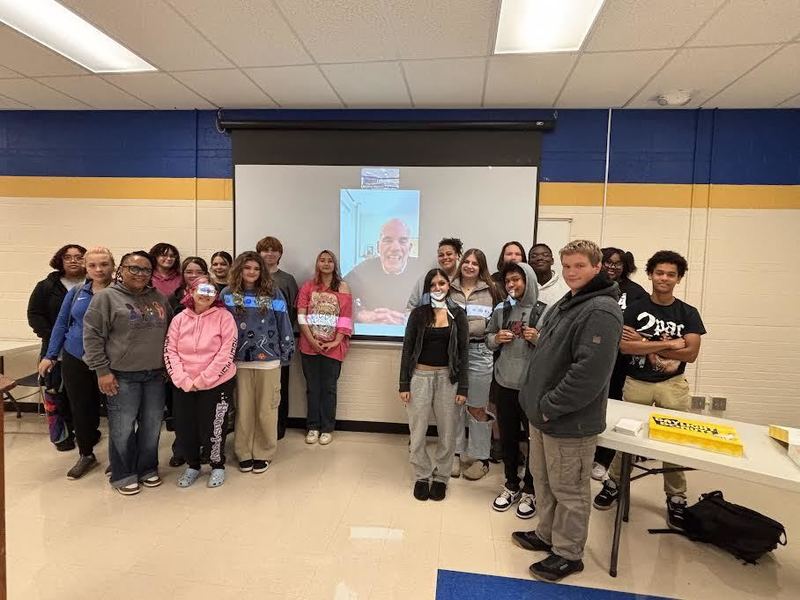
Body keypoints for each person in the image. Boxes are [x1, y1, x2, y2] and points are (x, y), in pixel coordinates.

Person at [514, 239, 623, 582]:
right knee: (545, 483)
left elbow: (588, 374)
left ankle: (568, 553)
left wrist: (549, 407)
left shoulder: (601, 310)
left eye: (579, 266)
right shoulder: (572, 301)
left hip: (567, 421)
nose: (572, 272)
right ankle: (547, 535)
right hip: (544, 418)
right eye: (567, 266)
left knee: (571, 491)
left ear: (596, 266)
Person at [594, 250, 706, 531]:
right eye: (659, 273)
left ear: (678, 278)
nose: (664, 278)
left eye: (670, 274)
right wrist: (671, 344)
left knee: (674, 443)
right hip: (637, 383)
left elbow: (691, 353)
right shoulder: (635, 309)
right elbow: (625, 347)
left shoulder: (688, 313)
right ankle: (614, 483)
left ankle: (676, 497)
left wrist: (645, 340)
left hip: (673, 386)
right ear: (650, 275)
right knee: (626, 440)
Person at [83, 250, 172, 496]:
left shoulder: (159, 298)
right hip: (121, 375)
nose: (140, 274)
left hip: (155, 375)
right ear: (120, 269)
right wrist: (102, 371)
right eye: (134, 268)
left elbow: (171, 334)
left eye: (145, 270)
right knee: (122, 428)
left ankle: (147, 468)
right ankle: (123, 474)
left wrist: (168, 365)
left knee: (152, 426)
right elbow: (91, 336)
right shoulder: (106, 298)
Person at [38, 247, 114, 479]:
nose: (98, 269)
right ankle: (86, 454)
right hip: (75, 356)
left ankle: (119, 456)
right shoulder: (78, 291)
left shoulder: (121, 292)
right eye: (92, 265)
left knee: (117, 410)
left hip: (109, 360)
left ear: (113, 266)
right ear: (86, 267)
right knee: (81, 408)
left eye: (104, 264)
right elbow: (62, 323)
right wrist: (50, 355)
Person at [221, 252, 294, 474]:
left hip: (269, 361)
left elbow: (284, 323)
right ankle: (243, 451)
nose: (252, 272)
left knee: (267, 409)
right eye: (247, 268)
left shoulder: (273, 293)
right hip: (239, 362)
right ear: (239, 270)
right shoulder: (227, 294)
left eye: (256, 268)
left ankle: (264, 451)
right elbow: (220, 327)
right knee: (243, 410)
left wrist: (287, 350)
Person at [399, 269, 469, 502]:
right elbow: (407, 348)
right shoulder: (418, 314)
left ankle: (441, 477)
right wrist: (404, 383)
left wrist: (463, 387)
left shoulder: (458, 314)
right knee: (417, 431)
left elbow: (463, 352)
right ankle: (421, 474)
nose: (437, 287)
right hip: (420, 377)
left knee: (447, 433)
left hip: (448, 380)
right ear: (427, 289)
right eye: (432, 284)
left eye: (442, 283)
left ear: (449, 286)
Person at [164, 277, 238, 488]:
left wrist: (204, 380)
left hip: (217, 383)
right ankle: (193, 465)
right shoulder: (179, 318)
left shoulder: (224, 317)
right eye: (201, 290)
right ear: (191, 291)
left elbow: (227, 352)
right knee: (185, 426)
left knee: (214, 426)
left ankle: (217, 465)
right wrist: (183, 380)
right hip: (184, 384)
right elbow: (170, 350)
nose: (205, 295)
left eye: (211, 291)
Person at [486, 261, 539, 519]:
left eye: (517, 280)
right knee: (507, 437)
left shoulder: (545, 311)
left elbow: (555, 348)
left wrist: (538, 339)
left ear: (528, 280)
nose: (511, 285)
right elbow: (488, 338)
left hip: (532, 388)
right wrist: (496, 339)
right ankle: (510, 484)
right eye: (508, 281)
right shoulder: (501, 309)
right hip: (505, 383)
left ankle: (531, 488)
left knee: (532, 441)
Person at [591, 247, 649, 480]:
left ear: (626, 266)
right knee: (591, 403)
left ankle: (604, 458)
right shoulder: (591, 286)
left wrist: (640, 338)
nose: (612, 267)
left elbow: (647, 325)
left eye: (618, 263)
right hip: (593, 357)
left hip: (621, 362)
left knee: (612, 406)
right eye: (607, 262)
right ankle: (589, 451)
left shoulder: (636, 292)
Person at [27, 243, 87, 451]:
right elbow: (35, 314)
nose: (73, 260)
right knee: (56, 393)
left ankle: (86, 433)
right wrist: (54, 337)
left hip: (85, 349)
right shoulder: (47, 286)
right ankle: (62, 436)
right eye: (68, 257)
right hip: (55, 348)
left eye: (79, 257)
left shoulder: (94, 285)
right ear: (60, 260)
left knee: (81, 395)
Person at [449, 248, 501, 480]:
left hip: (480, 352)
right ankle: (456, 454)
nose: (470, 266)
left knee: (478, 407)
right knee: (454, 407)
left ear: (482, 268)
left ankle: (481, 457)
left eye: (475, 263)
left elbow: (498, 323)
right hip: (452, 354)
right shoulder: (449, 288)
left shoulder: (492, 290)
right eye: (466, 262)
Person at [297, 251, 353, 445]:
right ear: (317, 263)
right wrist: (312, 340)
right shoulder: (308, 286)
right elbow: (302, 315)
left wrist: (336, 341)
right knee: (312, 388)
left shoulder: (343, 287)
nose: (326, 263)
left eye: (330, 261)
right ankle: (312, 426)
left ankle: (327, 428)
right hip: (309, 345)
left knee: (329, 388)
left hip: (334, 347)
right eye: (322, 260)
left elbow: (345, 317)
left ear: (335, 264)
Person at [257, 236, 299, 440]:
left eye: (274, 250)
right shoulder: (249, 278)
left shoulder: (287, 280)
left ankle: (279, 428)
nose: (270, 254)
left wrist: (286, 340)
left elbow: (292, 311)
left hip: (279, 345)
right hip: (253, 346)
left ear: (280, 254)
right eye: (265, 250)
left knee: (279, 387)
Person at [346, 218, 420, 324]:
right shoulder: (363, 269)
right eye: (388, 240)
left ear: (410, 247)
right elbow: (338, 292)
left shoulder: (421, 270)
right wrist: (359, 313)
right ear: (378, 247)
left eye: (402, 241)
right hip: (370, 335)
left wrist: (414, 318)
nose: (395, 247)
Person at [407, 238, 463, 309]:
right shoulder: (425, 279)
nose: (445, 257)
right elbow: (411, 307)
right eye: (441, 255)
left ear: (457, 255)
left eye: (449, 254)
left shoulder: (464, 280)